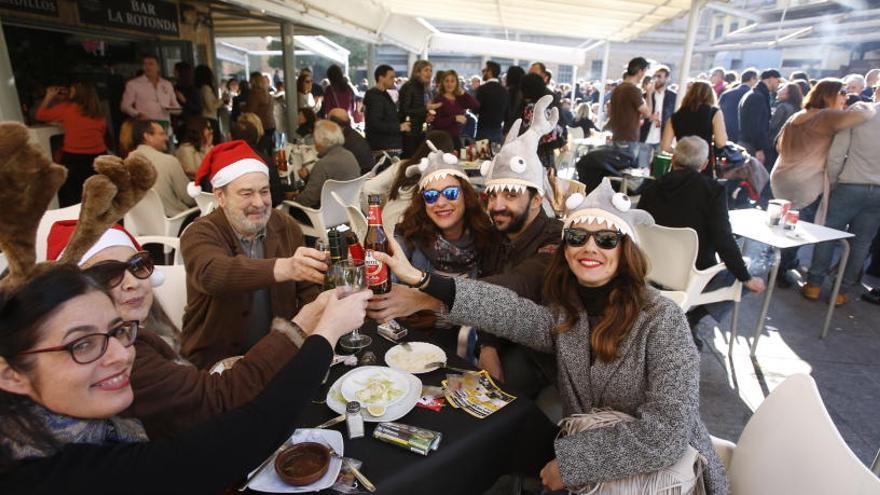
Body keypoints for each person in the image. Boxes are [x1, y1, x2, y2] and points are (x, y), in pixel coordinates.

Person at [375, 178, 728, 495]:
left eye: (606, 239)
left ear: (626, 251)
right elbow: (510, 311)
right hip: (596, 471)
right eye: (577, 237)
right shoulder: (568, 311)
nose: (590, 248)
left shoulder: (662, 319)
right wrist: (423, 281)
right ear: (566, 248)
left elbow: (667, 433)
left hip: (662, 480)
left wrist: (571, 465)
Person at [0, 262, 370, 493]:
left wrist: (310, 320)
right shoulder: (48, 476)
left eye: (118, 332)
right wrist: (326, 333)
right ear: (10, 373)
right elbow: (239, 433)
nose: (119, 356)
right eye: (81, 345)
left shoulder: (84, 422)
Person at [41, 221, 312, 439]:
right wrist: (303, 325)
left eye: (136, 266)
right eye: (105, 274)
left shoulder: (284, 224)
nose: (132, 282)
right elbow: (217, 402)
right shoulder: (118, 355)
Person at [181, 141, 327, 368]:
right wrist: (285, 267)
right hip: (217, 364)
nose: (259, 203)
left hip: (279, 357)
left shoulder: (286, 226)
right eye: (246, 193)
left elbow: (308, 291)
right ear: (220, 197)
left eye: (264, 191)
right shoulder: (200, 232)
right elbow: (211, 274)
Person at [639, 137, 766, 347]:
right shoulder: (712, 190)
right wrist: (746, 277)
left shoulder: (651, 187)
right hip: (695, 276)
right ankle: (690, 318)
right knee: (748, 273)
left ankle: (678, 315)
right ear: (704, 164)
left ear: (673, 158)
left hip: (652, 271)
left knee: (739, 270)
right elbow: (723, 240)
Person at [770, 79, 875, 282]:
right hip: (806, 184)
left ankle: (776, 265)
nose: (846, 97)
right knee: (794, 230)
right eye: (843, 92)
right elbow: (865, 114)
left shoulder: (798, 115)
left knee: (779, 226)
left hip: (782, 178)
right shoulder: (825, 116)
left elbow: (778, 145)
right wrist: (863, 103)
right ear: (830, 95)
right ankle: (781, 270)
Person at [804, 89, 880, 305]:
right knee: (862, 242)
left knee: (827, 233)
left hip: (850, 183)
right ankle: (841, 291)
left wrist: (834, 180)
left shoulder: (860, 113)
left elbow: (837, 153)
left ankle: (814, 285)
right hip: (878, 190)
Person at [366, 131, 456, 235]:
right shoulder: (439, 176)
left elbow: (368, 188)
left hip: (384, 231)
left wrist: (377, 211)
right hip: (407, 237)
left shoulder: (402, 166)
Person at [35, 81, 108, 207]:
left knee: (72, 196)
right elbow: (101, 131)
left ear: (77, 93)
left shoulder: (67, 108)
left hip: (75, 157)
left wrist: (49, 96)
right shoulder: (98, 112)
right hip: (99, 157)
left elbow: (40, 115)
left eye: (72, 90)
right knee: (97, 194)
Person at [130, 120, 196, 218]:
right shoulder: (169, 161)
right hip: (176, 222)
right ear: (147, 137)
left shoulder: (126, 163)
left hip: (142, 226)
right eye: (161, 134)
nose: (166, 138)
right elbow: (189, 199)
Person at [660, 80, 728, 175]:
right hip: (702, 165)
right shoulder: (714, 113)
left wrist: (682, 153)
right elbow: (721, 142)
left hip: (679, 166)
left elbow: (665, 147)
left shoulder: (676, 116)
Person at [295, 120, 361, 209]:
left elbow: (308, 199)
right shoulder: (349, 155)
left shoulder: (323, 164)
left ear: (320, 141)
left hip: (327, 214)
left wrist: (293, 198)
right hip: (350, 210)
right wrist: (308, 178)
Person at [608, 57, 654, 168]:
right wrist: (649, 94)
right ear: (640, 71)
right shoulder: (632, 90)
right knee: (625, 172)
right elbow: (647, 113)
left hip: (618, 135)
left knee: (618, 171)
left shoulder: (618, 88)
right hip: (628, 138)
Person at [121, 55, 181, 127]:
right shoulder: (133, 84)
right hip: (145, 124)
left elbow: (177, 107)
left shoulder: (167, 84)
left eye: (151, 64)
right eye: (145, 64)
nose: (147, 67)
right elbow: (124, 106)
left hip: (165, 124)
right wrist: (137, 114)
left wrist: (168, 109)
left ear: (158, 67)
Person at [520, 73, 565, 169]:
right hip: (547, 153)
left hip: (534, 153)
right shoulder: (546, 105)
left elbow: (526, 133)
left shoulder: (531, 108)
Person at [737, 69, 781, 167]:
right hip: (752, 147)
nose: (778, 84)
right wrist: (759, 149)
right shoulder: (757, 97)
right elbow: (755, 126)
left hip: (749, 144)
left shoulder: (755, 94)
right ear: (771, 79)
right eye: (778, 80)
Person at [399, 60, 442, 157]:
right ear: (417, 72)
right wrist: (425, 108)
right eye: (426, 70)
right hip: (410, 134)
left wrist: (427, 116)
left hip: (421, 132)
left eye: (431, 70)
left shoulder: (425, 88)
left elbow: (421, 110)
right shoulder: (409, 87)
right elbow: (404, 110)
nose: (429, 73)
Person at [364, 64, 409, 155]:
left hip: (388, 145)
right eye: (391, 77)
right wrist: (399, 127)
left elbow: (390, 116)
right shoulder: (375, 97)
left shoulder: (384, 94)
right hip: (384, 148)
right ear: (381, 78)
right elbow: (375, 123)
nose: (394, 80)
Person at [432, 70, 480, 149]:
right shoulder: (438, 99)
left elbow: (475, 104)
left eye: (452, 81)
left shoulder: (459, 98)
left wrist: (463, 93)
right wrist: (454, 118)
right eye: (447, 81)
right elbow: (437, 123)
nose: (449, 84)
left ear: (456, 83)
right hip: (442, 140)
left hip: (456, 139)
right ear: (443, 83)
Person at [639, 66, 676, 152]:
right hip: (645, 137)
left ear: (667, 78)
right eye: (654, 76)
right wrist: (648, 117)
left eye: (659, 76)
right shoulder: (645, 95)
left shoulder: (673, 97)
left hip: (662, 138)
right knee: (642, 164)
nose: (656, 79)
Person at [327, 108, 375, 175]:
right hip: (366, 177)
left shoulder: (342, 142)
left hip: (355, 179)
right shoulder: (354, 136)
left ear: (333, 124)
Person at [767, 82, 804, 166]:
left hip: (776, 142)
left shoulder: (782, 107)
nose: (779, 91)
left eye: (783, 89)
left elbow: (772, 126)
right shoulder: (797, 108)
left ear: (788, 94)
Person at [719, 69, 757, 144]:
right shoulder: (753, 95)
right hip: (743, 136)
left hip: (725, 130)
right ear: (752, 79)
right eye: (756, 79)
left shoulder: (726, 93)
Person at [475, 61, 508, 144]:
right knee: (495, 156)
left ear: (489, 72)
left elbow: (475, 109)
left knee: (481, 156)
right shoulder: (504, 90)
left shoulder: (482, 89)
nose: (483, 73)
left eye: (484, 70)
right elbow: (507, 113)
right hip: (498, 130)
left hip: (483, 129)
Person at [244, 71, 276, 157]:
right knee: (269, 150)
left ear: (254, 81)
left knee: (259, 151)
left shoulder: (254, 94)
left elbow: (251, 110)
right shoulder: (267, 94)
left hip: (260, 125)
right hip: (271, 124)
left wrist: (243, 107)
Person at [195, 65, 222, 145]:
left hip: (207, 117)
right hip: (210, 118)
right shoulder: (206, 88)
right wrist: (222, 101)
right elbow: (211, 107)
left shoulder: (200, 88)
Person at [503, 65, 526, 134]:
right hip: (521, 129)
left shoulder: (508, 91)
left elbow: (508, 113)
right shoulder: (525, 92)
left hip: (509, 129)